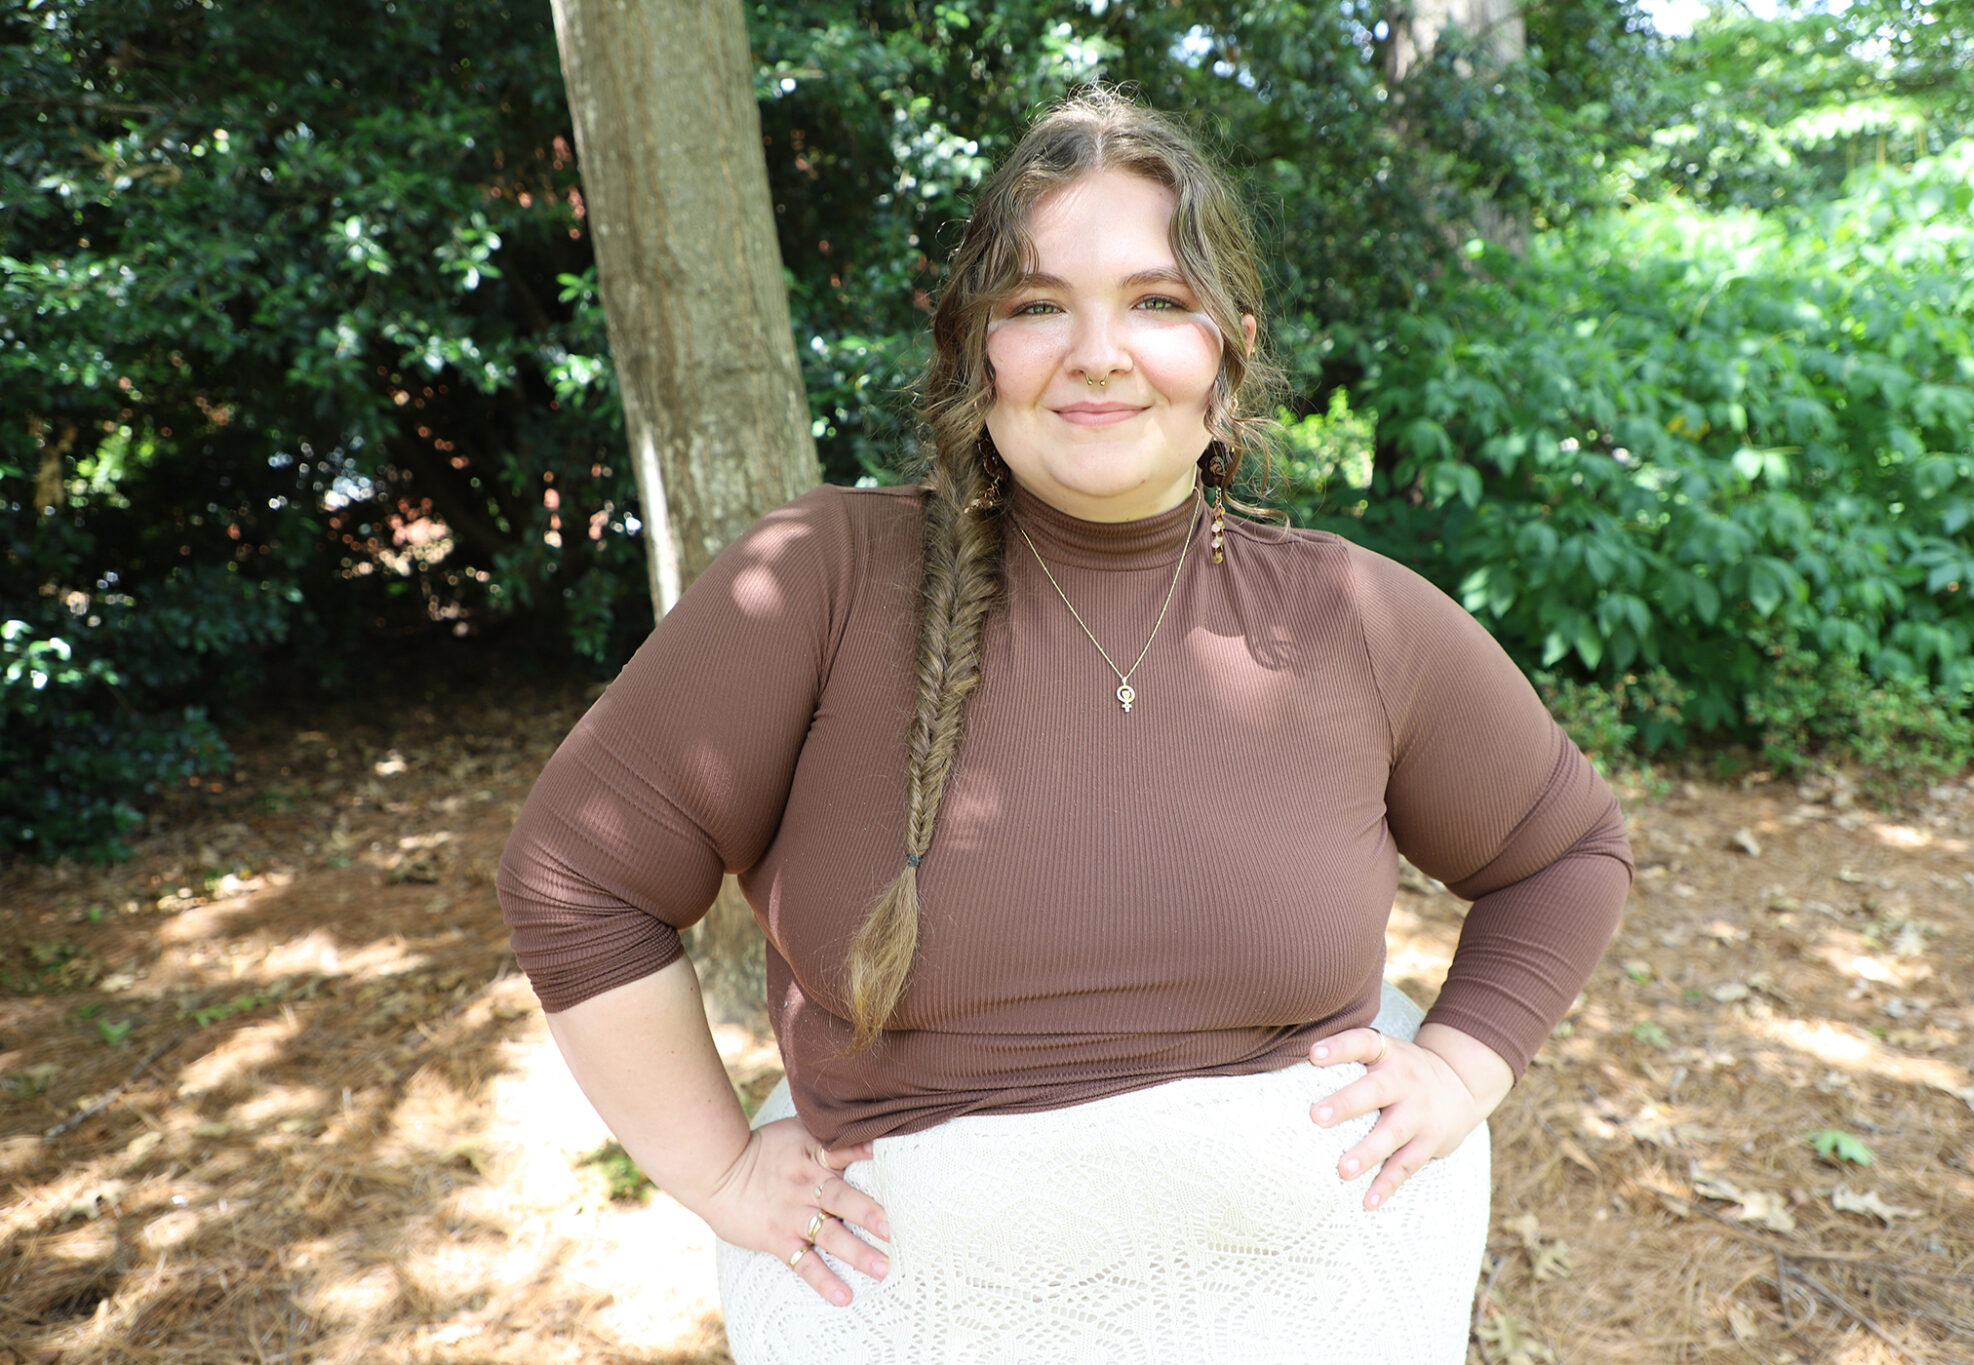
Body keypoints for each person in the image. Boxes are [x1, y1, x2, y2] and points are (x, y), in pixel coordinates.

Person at [497, 87, 1632, 1364]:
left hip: (1314, 1295)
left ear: (1229, 349)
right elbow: (575, 875)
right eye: (1037, 305)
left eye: (1155, 302)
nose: (1098, 352)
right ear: (972, 348)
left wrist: (1466, 1065)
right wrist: (712, 1172)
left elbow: (1564, 851)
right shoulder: (819, 580)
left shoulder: (1347, 611)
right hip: (930, 1316)